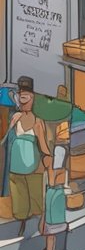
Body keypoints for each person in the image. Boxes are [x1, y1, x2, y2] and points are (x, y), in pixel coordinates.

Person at [2, 77, 48, 237]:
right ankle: (22, 226)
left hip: (34, 168)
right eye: (21, 97)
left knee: (36, 201)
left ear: (33, 98)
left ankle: (37, 228)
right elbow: (6, 139)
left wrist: (48, 160)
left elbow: (43, 146)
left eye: (26, 97)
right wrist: (11, 124)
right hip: (16, 168)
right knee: (20, 205)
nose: (23, 101)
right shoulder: (15, 118)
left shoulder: (38, 121)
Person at [39, 121, 70, 250]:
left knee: (50, 222)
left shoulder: (49, 153)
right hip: (56, 190)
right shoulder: (60, 151)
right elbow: (58, 174)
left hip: (51, 190)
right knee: (52, 224)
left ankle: (48, 249)